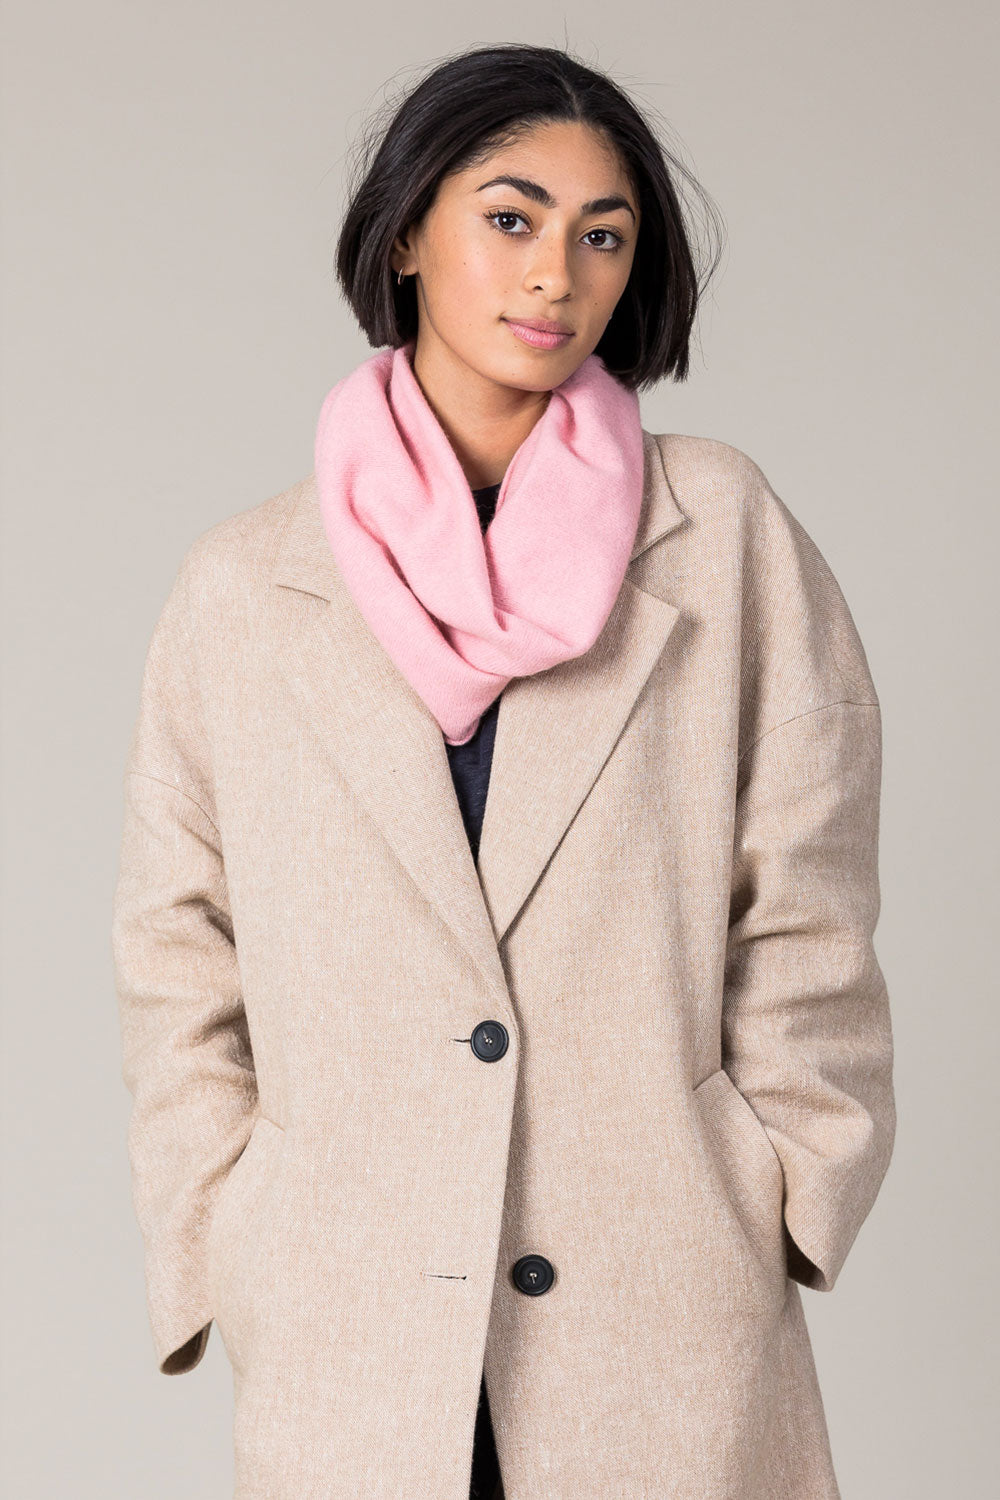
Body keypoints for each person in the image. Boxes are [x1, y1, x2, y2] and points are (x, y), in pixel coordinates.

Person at [112, 42, 895, 1500]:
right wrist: (227, 1224)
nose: (556, 274)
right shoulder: (243, 586)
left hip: (659, 1307)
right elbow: (177, 945)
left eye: (604, 235)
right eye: (512, 218)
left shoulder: (721, 533)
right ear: (408, 232)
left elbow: (810, 886)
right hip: (345, 1315)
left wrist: (781, 1182)